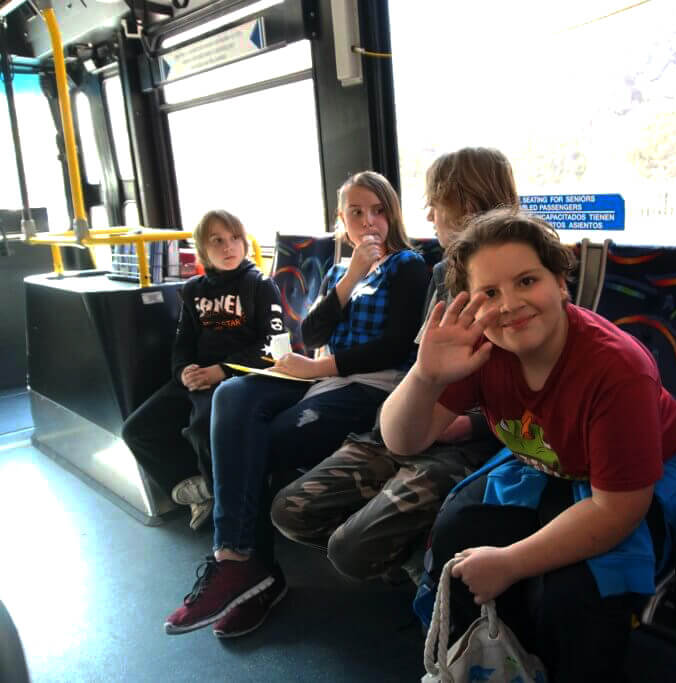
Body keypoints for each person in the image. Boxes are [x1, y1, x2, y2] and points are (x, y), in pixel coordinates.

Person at [380, 210, 676, 682]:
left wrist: (510, 563)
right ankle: (492, 662)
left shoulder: (618, 370)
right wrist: (426, 376)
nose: (509, 304)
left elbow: (618, 509)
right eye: (490, 293)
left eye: (526, 280)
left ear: (561, 284)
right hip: (549, 459)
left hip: (630, 480)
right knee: (456, 535)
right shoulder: (484, 351)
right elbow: (403, 439)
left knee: (576, 596)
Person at [164, 171, 429, 639]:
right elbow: (313, 335)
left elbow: (394, 347)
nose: (369, 222)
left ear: (392, 214)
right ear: (341, 220)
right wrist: (350, 277)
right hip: (319, 373)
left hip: (368, 384)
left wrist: (315, 371)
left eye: (378, 210)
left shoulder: (409, 265)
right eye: (356, 212)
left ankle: (256, 575)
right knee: (231, 395)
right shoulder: (336, 269)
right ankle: (235, 560)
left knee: (261, 442)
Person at [270, 147, 519, 583]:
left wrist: (469, 424)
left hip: (469, 440)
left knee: (351, 548)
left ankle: (417, 564)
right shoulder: (443, 273)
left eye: (436, 202)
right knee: (289, 511)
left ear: (468, 205)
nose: (429, 214)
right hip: (412, 419)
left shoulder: (518, 282)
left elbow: (528, 389)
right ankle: (406, 553)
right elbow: (414, 364)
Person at [122, 210, 283, 531]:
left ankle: (230, 510)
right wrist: (183, 371)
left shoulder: (260, 286)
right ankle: (201, 488)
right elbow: (183, 342)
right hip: (197, 378)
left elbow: (275, 345)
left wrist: (222, 370)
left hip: (239, 377)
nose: (229, 247)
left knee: (202, 429)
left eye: (235, 238)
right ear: (202, 249)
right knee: (136, 430)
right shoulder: (193, 290)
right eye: (217, 241)